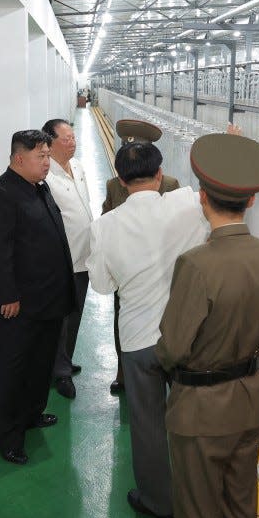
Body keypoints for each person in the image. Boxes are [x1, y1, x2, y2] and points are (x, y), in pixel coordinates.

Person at [155, 133, 259, 518]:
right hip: (249, 401)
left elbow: (173, 347)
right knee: (239, 508)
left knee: (199, 512)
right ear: (251, 200)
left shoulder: (197, 264)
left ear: (201, 196)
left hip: (200, 411)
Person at [88, 141, 210, 518]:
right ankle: (199, 496)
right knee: (193, 419)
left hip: (139, 342)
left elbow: (103, 286)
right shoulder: (186, 205)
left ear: (121, 181)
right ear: (161, 175)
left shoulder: (105, 226)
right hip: (185, 335)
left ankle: (158, 501)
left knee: (148, 424)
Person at [0, 129, 75, 466]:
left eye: (48, 155)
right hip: (16, 304)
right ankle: (8, 438)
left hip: (46, 298)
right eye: (41, 157)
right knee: (12, 371)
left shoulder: (39, 187)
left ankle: (33, 414)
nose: (48, 163)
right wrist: (8, 294)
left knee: (39, 364)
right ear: (19, 159)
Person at [101, 119, 180, 395]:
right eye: (127, 144)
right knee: (121, 320)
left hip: (160, 265)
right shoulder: (114, 186)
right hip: (127, 269)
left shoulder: (170, 184)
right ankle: (123, 374)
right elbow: (106, 215)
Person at [41, 118, 93, 400]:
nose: (73, 142)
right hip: (62, 260)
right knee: (60, 319)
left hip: (84, 256)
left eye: (74, 137)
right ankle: (58, 372)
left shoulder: (80, 167)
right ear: (49, 141)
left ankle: (66, 359)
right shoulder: (46, 176)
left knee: (75, 314)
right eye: (67, 138)